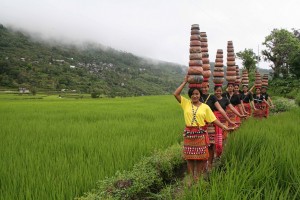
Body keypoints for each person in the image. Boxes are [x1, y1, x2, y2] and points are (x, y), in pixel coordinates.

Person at [173, 76, 232, 183]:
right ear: (190, 95)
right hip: (189, 134)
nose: (195, 96)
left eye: (197, 94)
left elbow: (213, 120)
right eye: (193, 94)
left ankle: (198, 177)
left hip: (200, 134)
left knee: (200, 157)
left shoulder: (205, 107)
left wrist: (224, 126)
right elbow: (175, 94)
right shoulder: (186, 103)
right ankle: (191, 177)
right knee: (189, 157)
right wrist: (185, 81)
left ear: (200, 95)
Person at [200, 83, 236, 170]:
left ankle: (210, 164)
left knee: (211, 144)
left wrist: (229, 120)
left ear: (209, 87)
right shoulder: (197, 96)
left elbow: (221, 109)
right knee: (202, 144)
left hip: (211, 123)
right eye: (202, 87)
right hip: (200, 123)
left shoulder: (212, 97)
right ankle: (203, 164)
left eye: (206, 87)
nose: (204, 89)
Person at [212, 85, 244, 157]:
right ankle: (215, 152)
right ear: (214, 91)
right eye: (217, 91)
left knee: (223, 136)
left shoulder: (225, 100)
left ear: (222, 91)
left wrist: (240, 115)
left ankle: (220, 152)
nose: (218, 92)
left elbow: (232, 108)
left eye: (220, 91)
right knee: (214, 137)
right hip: (214, 120)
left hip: (224, 119)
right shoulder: (212, 99)